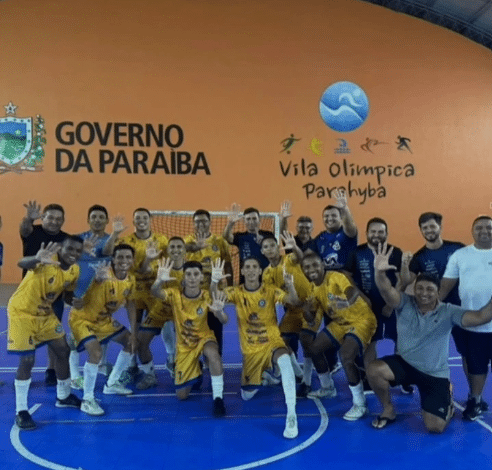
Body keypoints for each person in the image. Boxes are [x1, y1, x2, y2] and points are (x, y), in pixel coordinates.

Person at [368, 242, 492, 433]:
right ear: (414, 289)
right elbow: (387, 291)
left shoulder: (448, 311)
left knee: (435, 428)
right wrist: (379, 272)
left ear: (437, 293)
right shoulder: (404, 303)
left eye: (429, 290)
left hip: (434, 374)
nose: (423, 293)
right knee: (375, 370)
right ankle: (388, 409)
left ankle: (447, 404)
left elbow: (480, 317)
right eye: (420, 288)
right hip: (405, 364)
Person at [211, 257, 300, 439]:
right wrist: (214, 282)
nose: (251, 270)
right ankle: (269, 373)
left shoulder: (269, 290)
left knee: (284, 360)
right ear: (242, 271)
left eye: (254, 267)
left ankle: (291, 415)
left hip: (271, 342)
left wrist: (290, 285)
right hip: (251, 351)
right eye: (247, 267)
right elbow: (216, 296)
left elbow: (293, 300)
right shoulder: (236, 292)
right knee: (246, 395)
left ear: (260, 271)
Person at [7, 237, 84, 429]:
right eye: (69, 249)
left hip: (45, 314)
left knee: (63, 350)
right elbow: (21, 263)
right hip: (22, 313)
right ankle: (21, 411)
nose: (73, 253)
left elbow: (67, 293)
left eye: (77, 251)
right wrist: (36, 258)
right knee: (27, 360)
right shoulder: (45, 262)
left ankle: (64, 395)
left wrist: (74, 300)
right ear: (61, 249)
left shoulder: (75, 270)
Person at [399, 212, 469, 399]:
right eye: (425, 227)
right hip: (435, 315)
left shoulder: (458, 249)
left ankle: (472, 396)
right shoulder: (419, 257)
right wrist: (405, 266)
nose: (429, 230)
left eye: (432, 226)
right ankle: (413, 380)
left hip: (459, 310)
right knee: (424, 352)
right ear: (421, 230)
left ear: (440, 227)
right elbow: (406, 282)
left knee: (467, 353)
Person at [300, 252, 377, 421]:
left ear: (322, 265)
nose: (311, 269)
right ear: (303, 270)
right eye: (307, 267)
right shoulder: (313, 288)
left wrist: (347, 302)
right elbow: (311, 319)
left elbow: (352, 291)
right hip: (341, 323)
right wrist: (306, 312)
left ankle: (360, 403)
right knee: (314, 348)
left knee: (346, 355)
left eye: (315, 265)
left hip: (361, 319)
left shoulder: (336, 277)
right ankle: (327, 388)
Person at [150, 259, 227, 417]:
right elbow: (155, 292)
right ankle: (196, 370)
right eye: (189, 274)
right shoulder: (174, 294)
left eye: (196, 274)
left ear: (201, 278)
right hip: (185, 345)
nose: (192, 278)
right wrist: (158, 281)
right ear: (183, 278)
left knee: (213, 354)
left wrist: (219, 312)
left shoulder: (207, 295)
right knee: (182, 396)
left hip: (204, 338)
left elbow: (224, 320)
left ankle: (218, 399)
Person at [68, 244, 138, 415]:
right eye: (120, 257)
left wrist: (134, 331)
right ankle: (87, 399)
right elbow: (80, 287)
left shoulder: (130, 280)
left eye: (128, 257)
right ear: (113, 259)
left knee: (131, 342)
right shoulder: (102, 273)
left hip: (103, 321)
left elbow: (131, 304)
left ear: (133, 260)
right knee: (96, 353)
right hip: (81, 319)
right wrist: (94, 279)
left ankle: (112, 384)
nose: (124, 260)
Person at [440, 215, 492, 420]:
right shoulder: (460, 255)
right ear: (472, 231)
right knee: (476, 366)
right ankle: (475, 400)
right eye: (479, 228)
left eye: (489, 227)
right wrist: (428, 313)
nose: (484, 231)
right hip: (473, 324)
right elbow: (445, 286)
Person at [109, 208, 169, 382]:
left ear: (150, 220)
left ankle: (171, 359)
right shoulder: (126, 241)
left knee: (165, 325)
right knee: (134, 327)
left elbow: (169, 261)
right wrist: (114, 233)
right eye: (137, 218)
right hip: (135, 290)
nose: (141, 220)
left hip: (155, 290)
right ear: (133, 222)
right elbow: (109, 253)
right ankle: (132, 363)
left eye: (144, 217)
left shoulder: (162, 240)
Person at [344, 217, 403, 392]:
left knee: (401, 342)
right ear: (367, 233)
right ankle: (370, 379)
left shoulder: (395, 252)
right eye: (373, 232)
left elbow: (402, 280)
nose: (377, 235)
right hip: (367, 307)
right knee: (369, 344)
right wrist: (362, 297)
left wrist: (392, 302)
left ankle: (401, 376)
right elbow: (347, 275)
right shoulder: (357, 252)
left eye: (381, 232)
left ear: (386, 233)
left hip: (391, 307)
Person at [19, 201, 68, 385]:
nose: (54, 221)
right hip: (29, 296)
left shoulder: (66, 239)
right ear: (43, 218)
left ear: (63, 220)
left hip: (54, 296)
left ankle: (51, 369)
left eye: (58, 218)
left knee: (54, 335)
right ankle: (25, 372)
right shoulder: (33, 231)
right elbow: (24, 229)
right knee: (26, 336)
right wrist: (28, 219)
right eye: (51, 217)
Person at [69, 205, 115, 390]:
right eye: (94, 216)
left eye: (101, 217)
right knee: (75, 337)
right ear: (88, 220)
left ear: (106, 221)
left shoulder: (110, 240)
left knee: (102, 331)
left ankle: (102, 365)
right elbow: (67, 257)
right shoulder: (78, 239)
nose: (97, 220)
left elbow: (110, 254)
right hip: (80, 294)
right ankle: (74, 375)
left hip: (101, 295)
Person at [136, 236, 187, 389]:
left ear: (184, 251)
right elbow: (144, 270)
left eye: (179, 247)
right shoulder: (161, 266)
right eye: (172, 247)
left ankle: (184, 366)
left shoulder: (190, 269)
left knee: (188, 343)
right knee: (141, 342)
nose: (176, 250)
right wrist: (148, 259)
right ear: (167, 250)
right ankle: (150, 375)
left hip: (180, 313)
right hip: (159, 310)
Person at [185, 209, 233, 354]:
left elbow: (228, 264)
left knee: (215, 325)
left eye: (204, 221)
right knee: (194, 326)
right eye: (197, 221)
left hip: (215, 291)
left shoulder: (219, 241)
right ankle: (192, 358)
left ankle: (214, 358)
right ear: (193, 224)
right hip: (194, 292)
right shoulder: (187, 241)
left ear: (210, 222)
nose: (201, 224)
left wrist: (230, 287)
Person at [315, 190, 357, 271]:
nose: (330, 218)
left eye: (334, 215)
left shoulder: (346, 233)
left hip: (346, 280)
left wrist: (344, 208)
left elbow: (349, 225)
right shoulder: (319, 238)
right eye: (326, 216)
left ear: (340, 218)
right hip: (327, 281)